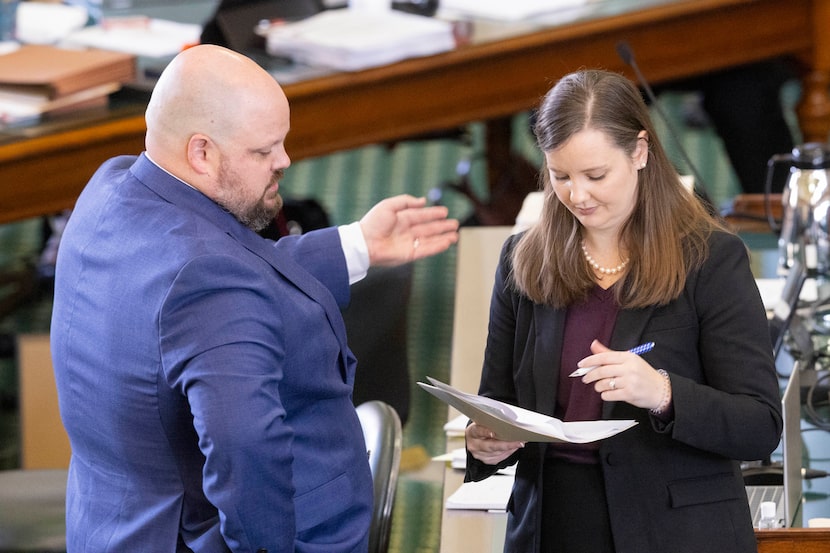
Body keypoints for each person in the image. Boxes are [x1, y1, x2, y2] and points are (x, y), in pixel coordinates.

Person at [50, 44, 458, 552]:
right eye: (264, 151)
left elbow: (208, 279)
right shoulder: (207, 281)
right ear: (201, 152)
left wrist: (356, 245)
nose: (284, 162)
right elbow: (245, 450)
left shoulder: (112, 188)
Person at [463, 69, 783, 553]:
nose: (578, 196)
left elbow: (759, 426)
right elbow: (498, 401)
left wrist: (662, 392)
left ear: (639, 151)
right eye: (560, 176)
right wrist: (485, 444)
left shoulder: (710, 258)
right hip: (554, 524)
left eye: (596, 175)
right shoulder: (521, 260)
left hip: (678, 529)